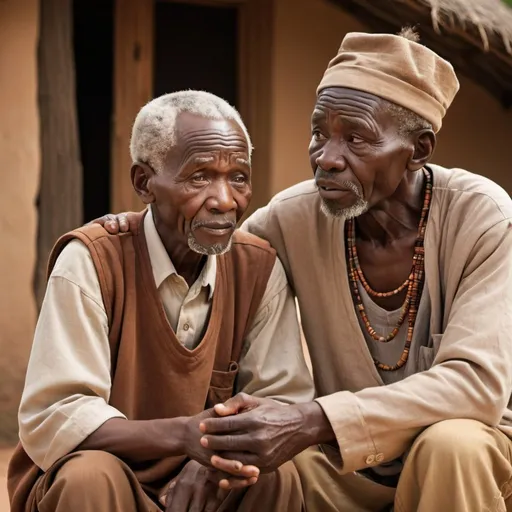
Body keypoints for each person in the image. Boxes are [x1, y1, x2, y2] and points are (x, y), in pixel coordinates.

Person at [96, 30, 512, 512]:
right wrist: (136, 228)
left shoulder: (484, 217)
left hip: (477, 449)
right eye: (319, 133)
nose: (326, 158)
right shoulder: (291, 218)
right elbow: (217, 259)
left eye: (355, 138)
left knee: (449, 445)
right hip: (347, 462)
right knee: (260, 475)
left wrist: (312, 420)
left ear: (418, 150)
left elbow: (476, 386)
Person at [7, 91, 314, 512]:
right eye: (200, 177)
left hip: (211, 487)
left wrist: (209, 458)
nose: (226, 200)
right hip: (113, 483)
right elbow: (57, 416)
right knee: (89, 476)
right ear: (143, 183)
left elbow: (280, 408)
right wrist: (187, 436)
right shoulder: (93, 261)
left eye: (238, 178)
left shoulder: (257, 268)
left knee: (275, 475)